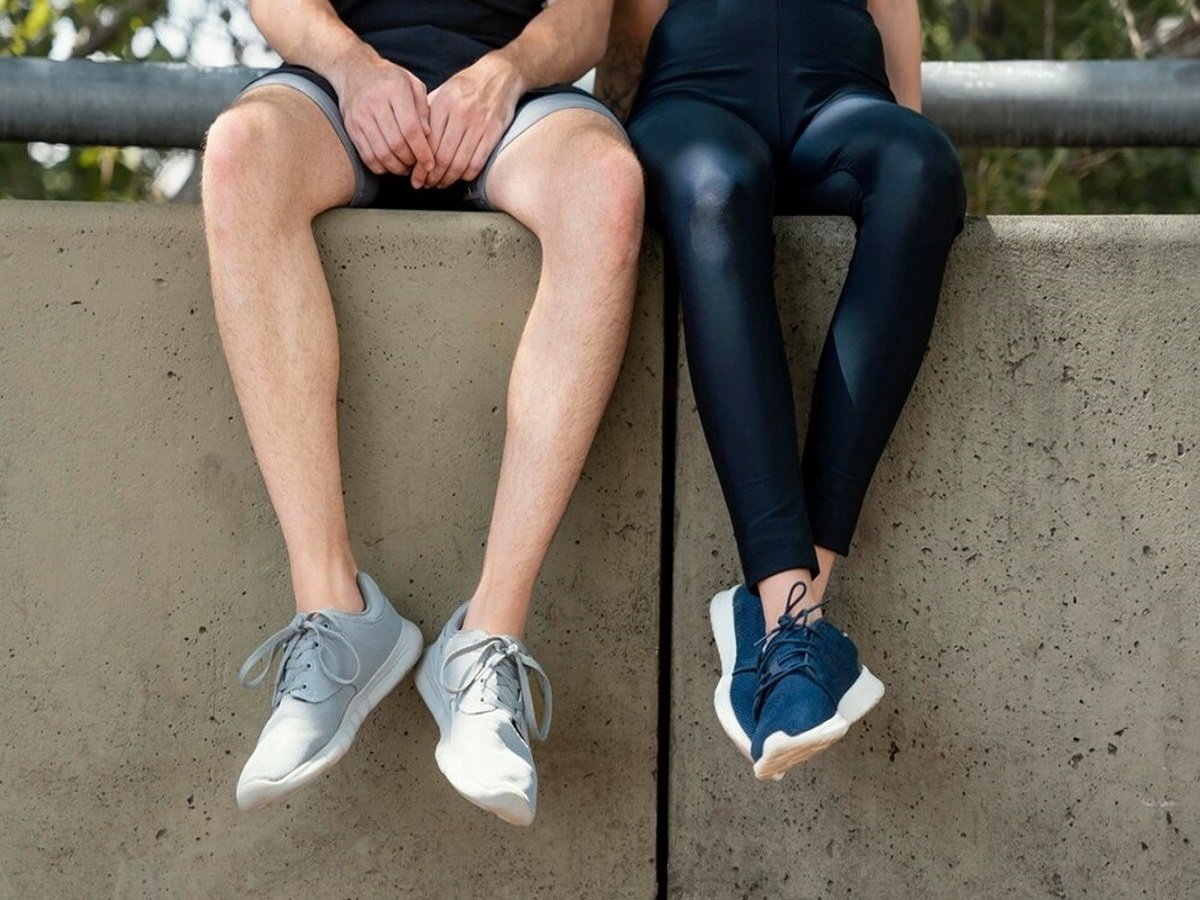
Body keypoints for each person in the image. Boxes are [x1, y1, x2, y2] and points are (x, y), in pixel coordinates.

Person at [202, 0, 644, 825]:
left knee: (608, 185)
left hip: (517, 97)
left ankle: (483, 648)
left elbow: (584, 24)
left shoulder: (513, 80)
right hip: (341, 90)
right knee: (238, 152)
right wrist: (354, 69)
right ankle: (334, 615)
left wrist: (501, 76)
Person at [599, 0, 966, 780]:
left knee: (923, 166)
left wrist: (912, 130)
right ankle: (794, 630)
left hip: (841, 95)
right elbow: (626, 31)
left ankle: (784, 614)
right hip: (693, 97)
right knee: (714, 191)